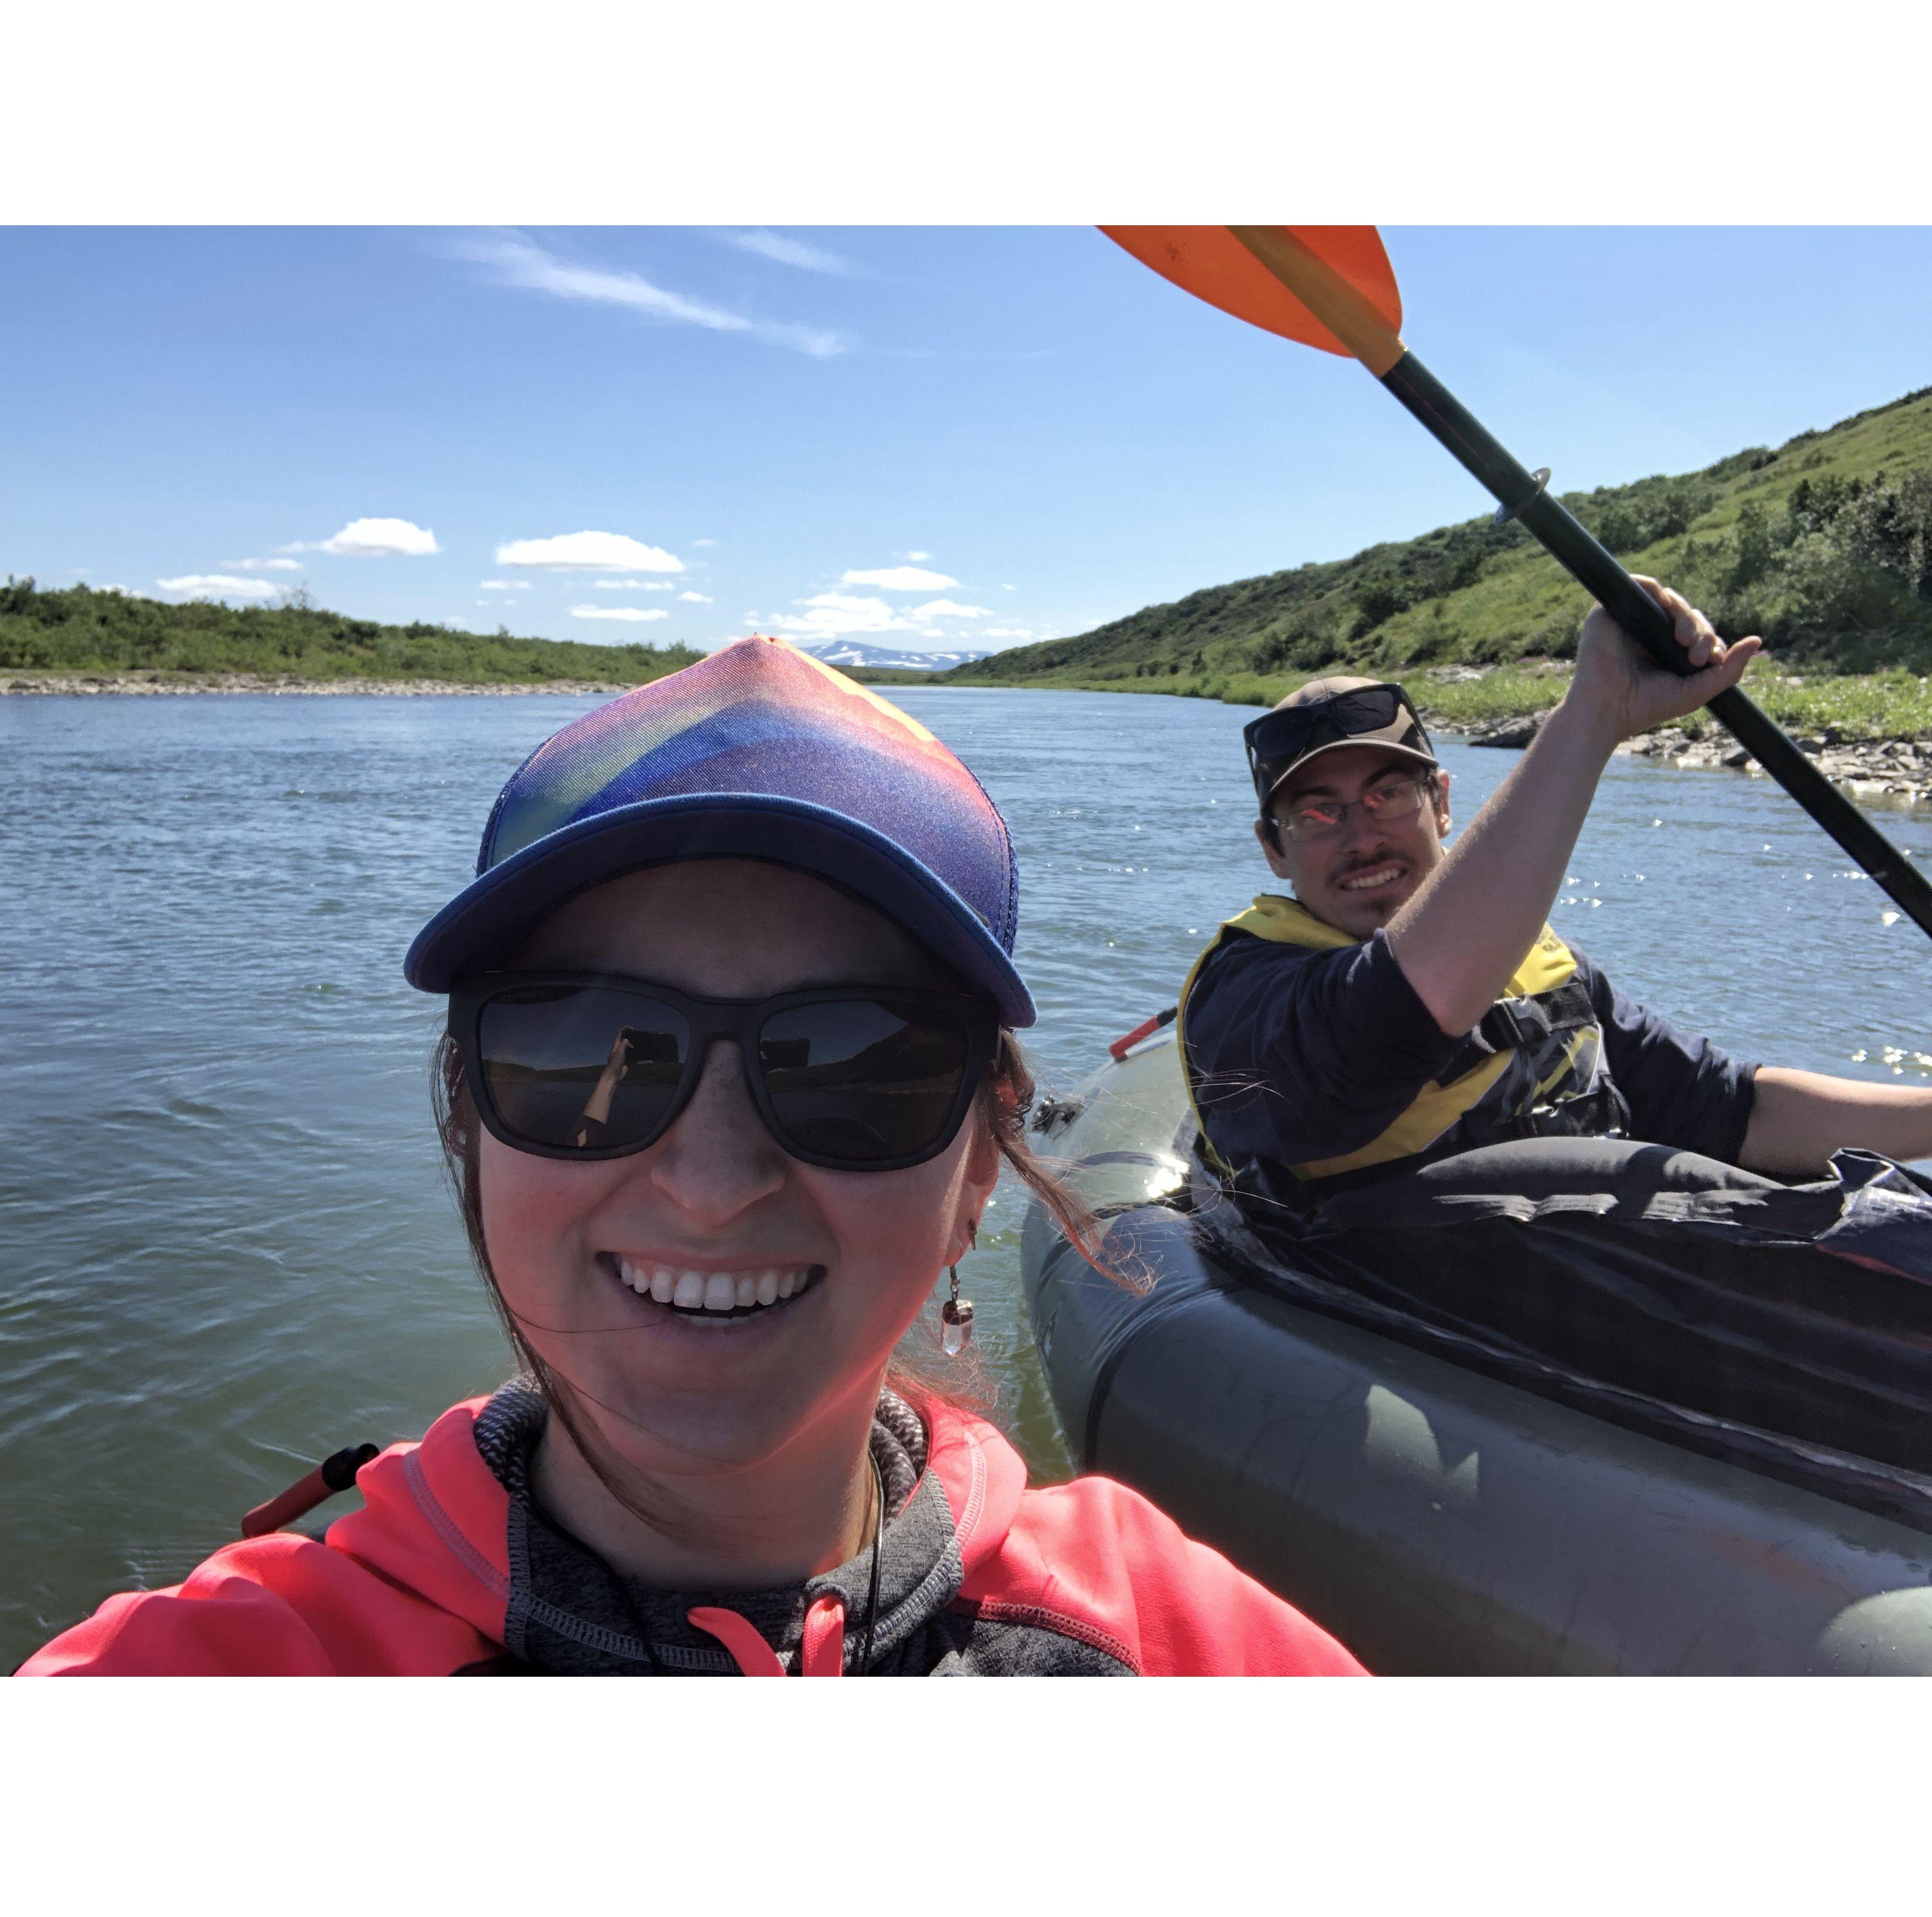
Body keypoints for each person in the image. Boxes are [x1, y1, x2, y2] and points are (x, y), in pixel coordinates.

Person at [22, 636, 1363, 1677]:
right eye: (585, 1051)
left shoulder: (1175, 1645)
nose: (713, 1181)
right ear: (469, 1122)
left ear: (975, 1168)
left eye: (856, 1065)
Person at [1179, 579, 1932, 1214]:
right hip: (1417, 1328)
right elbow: (1395, 1010)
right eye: (1317, 813)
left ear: (1442, 804)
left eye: (1388, 794)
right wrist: (1593, 714)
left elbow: (1732, 1110)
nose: (1362, 836)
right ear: (1272, 849)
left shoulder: (1545, 966)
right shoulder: (1243, 998)